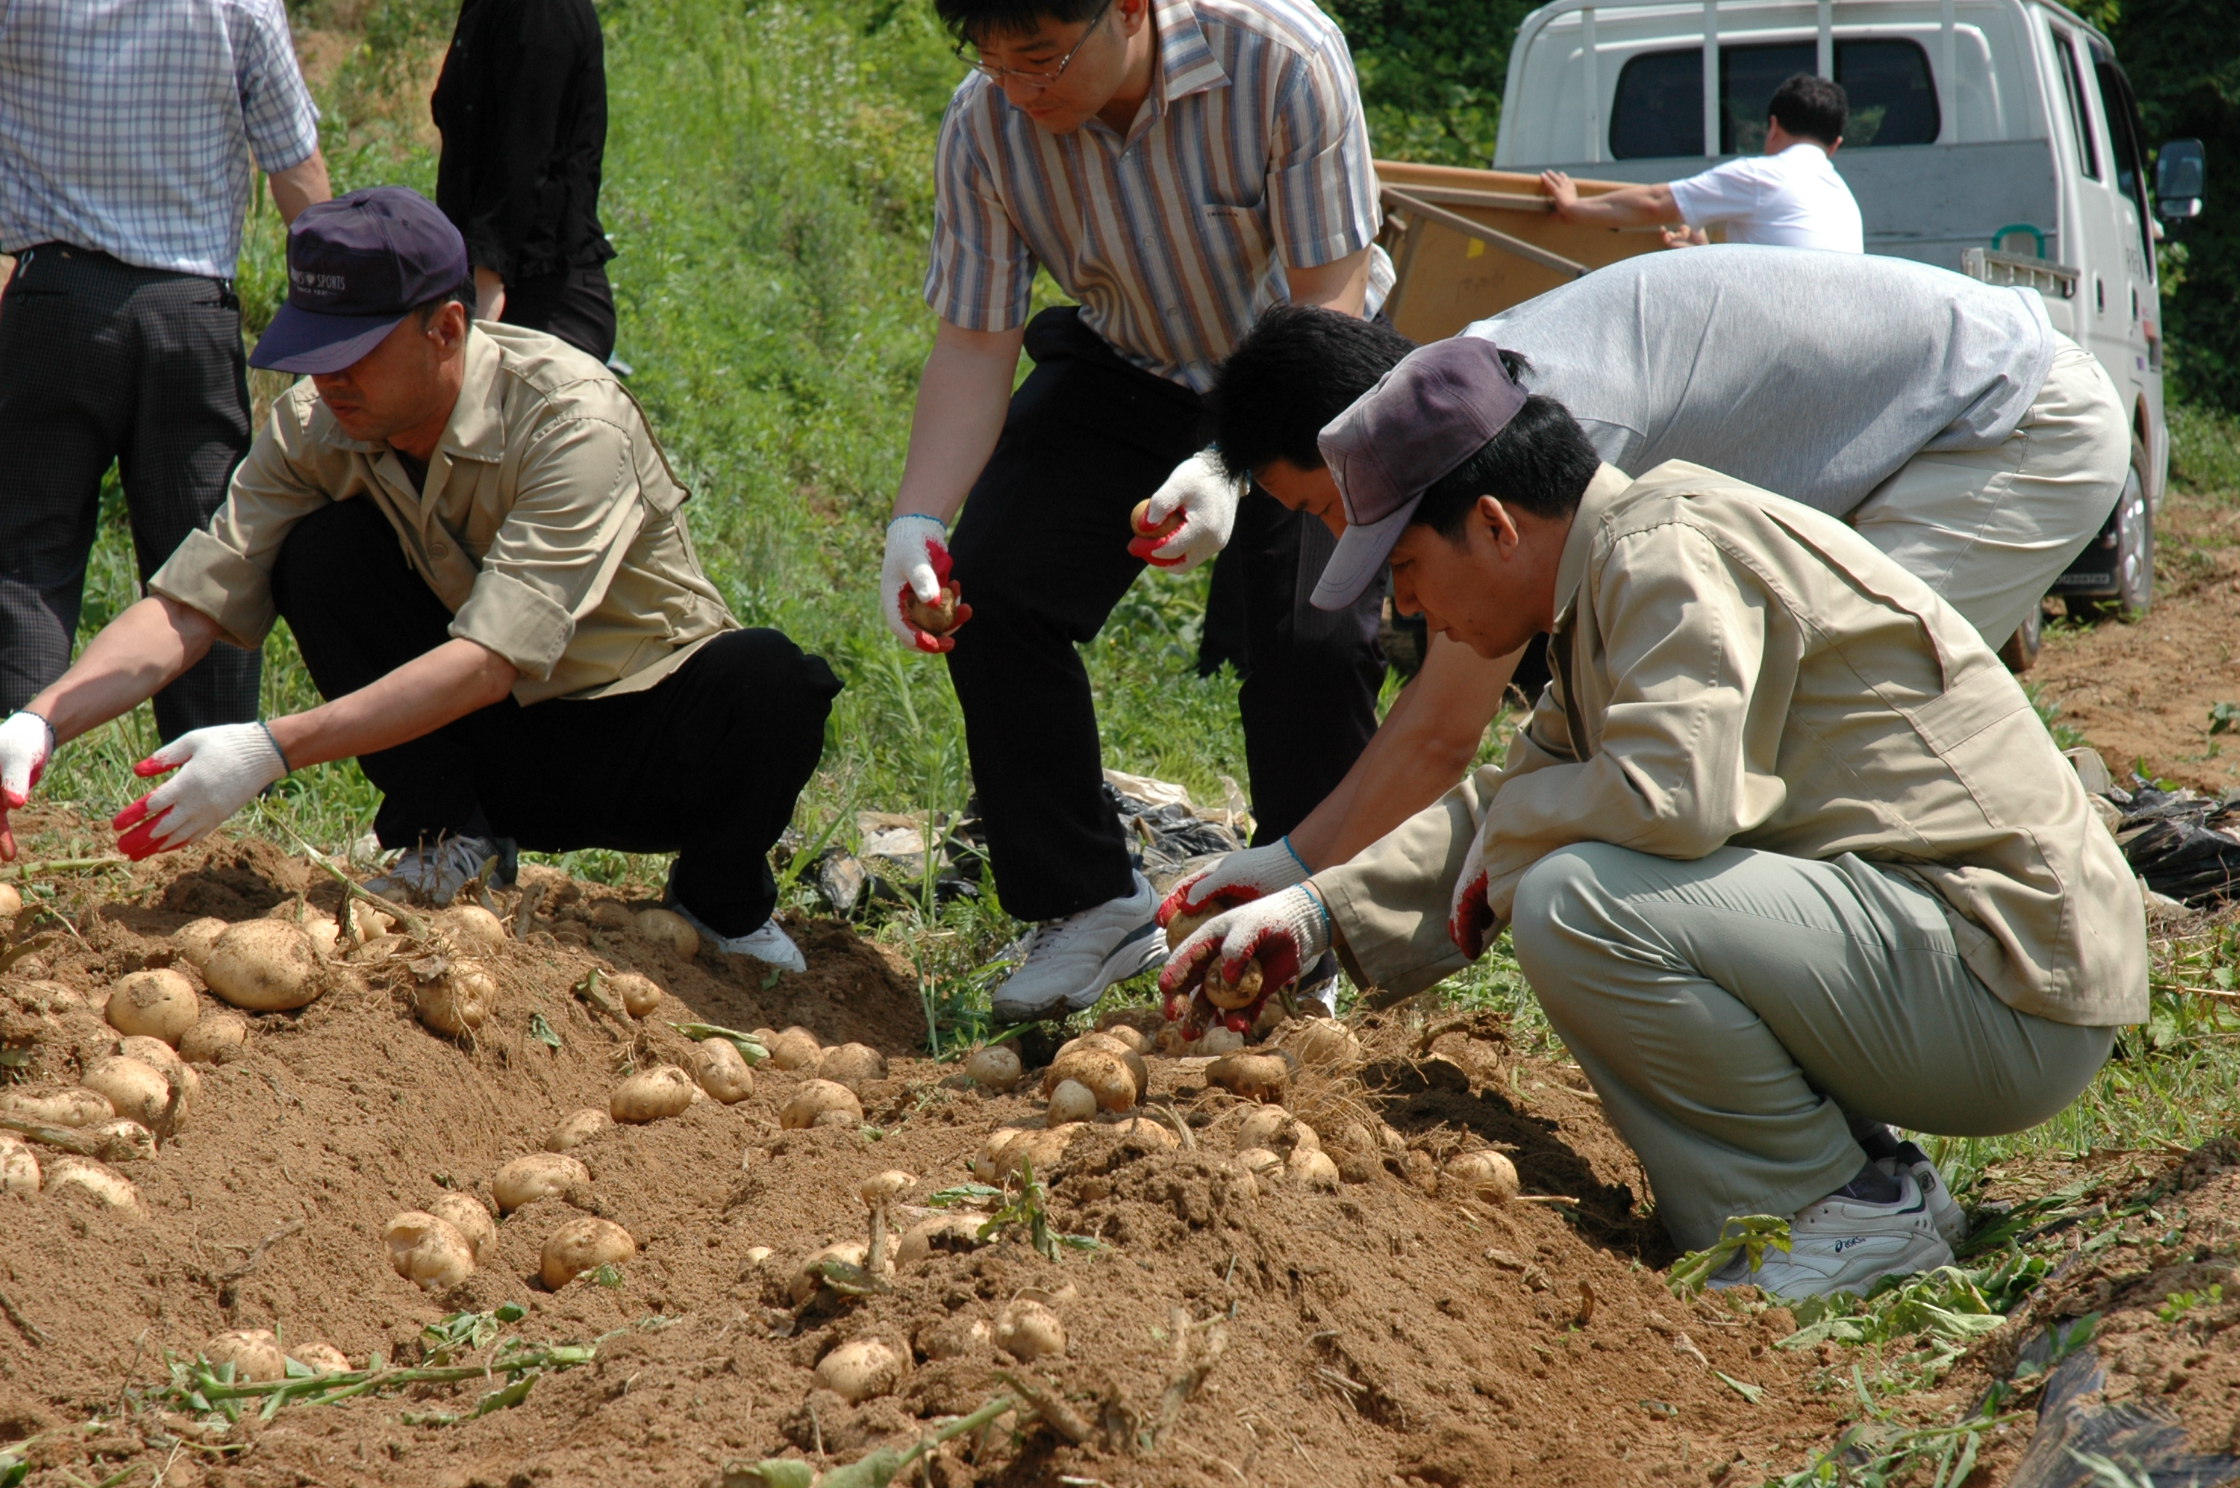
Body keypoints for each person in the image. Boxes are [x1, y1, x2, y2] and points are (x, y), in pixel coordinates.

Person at [1162, 338, 2147, 1296]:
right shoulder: (1609, 579)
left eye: (1407, 570)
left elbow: (1667, 794)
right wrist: (1309, 912)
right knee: (1561, 861)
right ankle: (1871, 1181)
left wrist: (1512, 844)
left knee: (1574, 900)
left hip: (2005, 981)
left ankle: (1830, 1213)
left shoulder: (1661, 554)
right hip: (1978, 971)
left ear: (1497, 527)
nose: (1406, 610)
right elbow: (1517, 793)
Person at [0, 189, 839, 972]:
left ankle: (718, 902)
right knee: (319, 549)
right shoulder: (318, 423)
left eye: (352, 354)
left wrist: (271, 748)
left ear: (445, 328)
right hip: (484, 741)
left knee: (773, 680)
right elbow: (193, 600)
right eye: (310, 353)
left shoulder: (570, 418)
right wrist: (40, 723)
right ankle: (451, 839)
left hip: (637, 739)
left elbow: (490, 660)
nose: (327, 380)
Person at [1168, 247, 2127, 926]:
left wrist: (1297, 873)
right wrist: (1304, 879)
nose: (1343, 539)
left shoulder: (1524, 446)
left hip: (2008, 419)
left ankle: (1963, 979)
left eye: (1326, 508)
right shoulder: (1463, 393)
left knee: (1800, 744)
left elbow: (1442, 731)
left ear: (1363, 444)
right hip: (1924, 429)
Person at [880, 0, 1391, 1022]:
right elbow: (976, 343)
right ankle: (1088, 903)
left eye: (1040, 57)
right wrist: (915, 521)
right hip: (1130, 365)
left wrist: (1234, 461)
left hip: (1305, 367)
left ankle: (1305, 927)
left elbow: (1327, 294)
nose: (1020, 88)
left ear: (1127, 10)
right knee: (995, 590)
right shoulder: (984, 125)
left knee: (1310, 641)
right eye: (993, 61)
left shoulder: (1279, 57)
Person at [0, 0, 331, 742]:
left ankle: (12, 792)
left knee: (24, 554)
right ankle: (202, 789)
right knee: (208, 561)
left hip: (55, 298)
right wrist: (335, 325)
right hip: (191, 313)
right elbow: (295, 165)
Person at [432, 0, 619, 362]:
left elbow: (521, 152)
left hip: (539, 308)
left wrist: (484, 298)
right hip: (484, 294)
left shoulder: (539, 11)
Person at [1542, 74, 1862, 253]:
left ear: (1774, 127)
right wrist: (1704, 256)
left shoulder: (1762, 176)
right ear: (1835, 146)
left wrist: (1573, 207)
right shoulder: (1843, 199)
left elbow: (1656, 204)